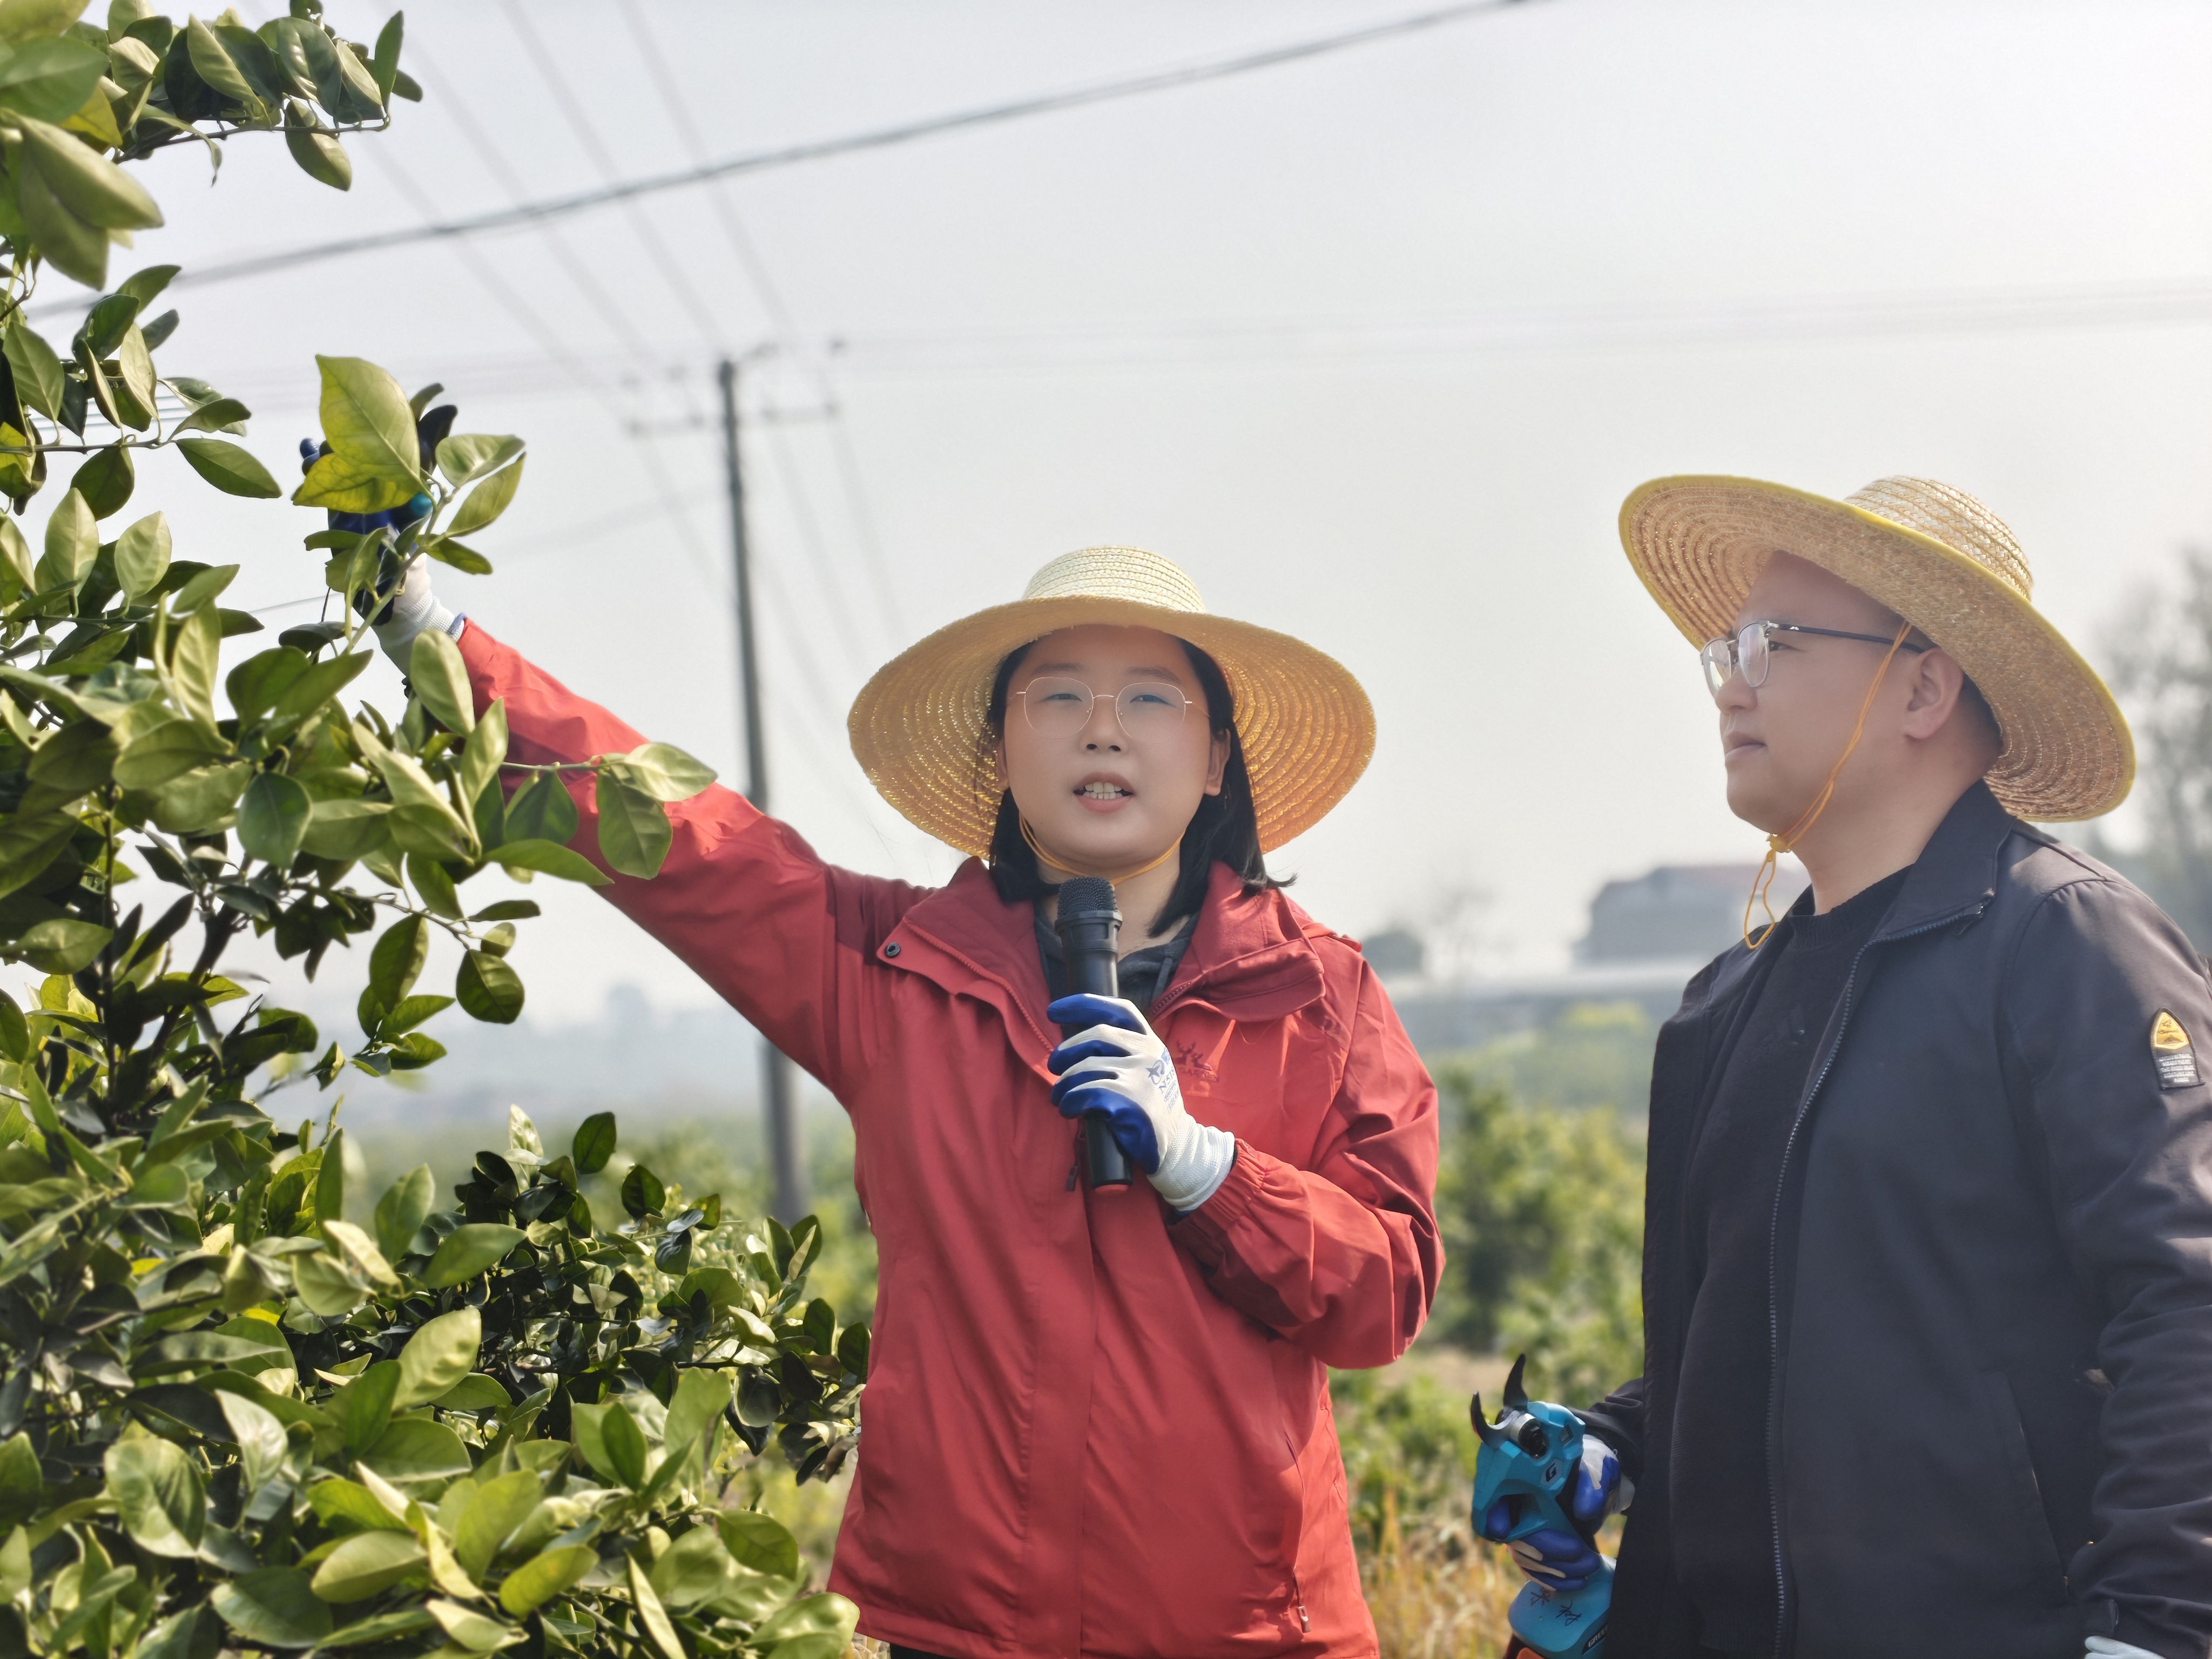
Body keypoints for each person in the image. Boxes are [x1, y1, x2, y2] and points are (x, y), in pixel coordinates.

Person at [373, 544, 1442, 1659]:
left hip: (1248, 1629)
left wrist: (1206, 1170)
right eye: (1057, 697)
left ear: (1216, 757)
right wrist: (432, 638)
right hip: (964, 1627)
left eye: (1150, 700)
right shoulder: (894, 969)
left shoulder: (1319, 996)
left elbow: (1385, 1297)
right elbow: (687, 841)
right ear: (999, 753)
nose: (1102, 731)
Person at [1482, 476, 2212, 1659]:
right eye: (1724, 652)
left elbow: (2183, 1300)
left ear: (1923, 687)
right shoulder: (1721, 1007)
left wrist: (2152, 1631)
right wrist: (1621, 1441)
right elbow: (1768, 1332)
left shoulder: (2062, 944)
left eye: (1772, 645)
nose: (1731, 684)